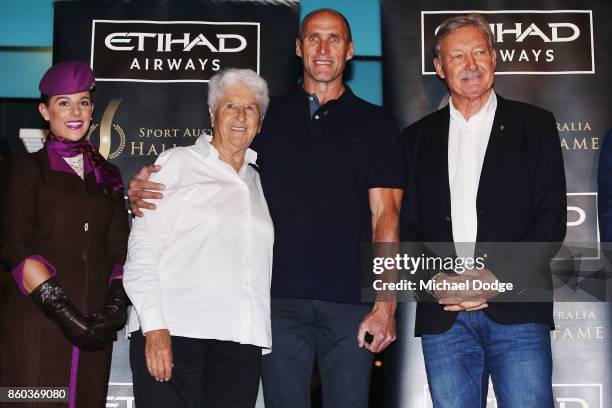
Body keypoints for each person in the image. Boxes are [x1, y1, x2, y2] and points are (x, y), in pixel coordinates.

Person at [127, 8, 404, 407]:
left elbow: (386, 216)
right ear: (298, 47)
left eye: (335, 39)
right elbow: (218, 167)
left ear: (350, 50)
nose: (323, 49)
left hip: (351, 305)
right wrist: (140, 188)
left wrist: (386, 303)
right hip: (276, 305)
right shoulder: (266, 118)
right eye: (313, 38)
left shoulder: (376, 123)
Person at [400, 14, 566, 407]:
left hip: (519, 307)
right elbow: (406, 227)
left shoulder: (535, 125)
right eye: (457, 56)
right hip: (444, 316)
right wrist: (436, 281)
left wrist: (495, 277)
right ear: (440, 69)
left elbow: (551, 217)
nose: (471, 65)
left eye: (479, 52)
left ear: (493, 58)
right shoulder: (415, 139)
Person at [123, 68, 273, 408]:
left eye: (250, 109)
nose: (240, 116)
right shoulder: (177, 164)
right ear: (212, 114)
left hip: (240, 342)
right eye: (230, 106)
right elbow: (143, 249)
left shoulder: (260, 181)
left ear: (260, 122)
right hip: (175, 335)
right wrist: (154, 326)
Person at [0, 60, 130, 408]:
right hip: (36, 328)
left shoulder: (108, 175)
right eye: (63, 102)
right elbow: (15, 248)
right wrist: (65, 314)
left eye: (83, 102)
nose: (75, 112)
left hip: (94, 331)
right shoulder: (25, 169)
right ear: (45, 111)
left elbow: (119, 250)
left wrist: (115, 309)